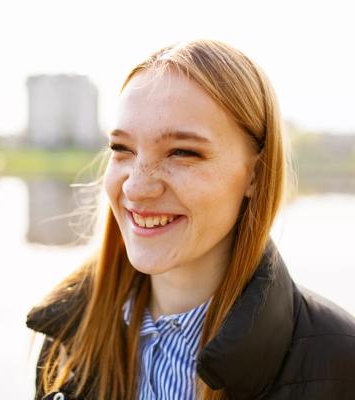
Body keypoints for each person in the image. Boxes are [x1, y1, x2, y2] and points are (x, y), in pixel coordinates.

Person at [26, 40, 355, 400]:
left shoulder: (339, 361)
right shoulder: (69, 335)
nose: (137, 188)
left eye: (182, 152)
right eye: (122, 149)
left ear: (256, 175)